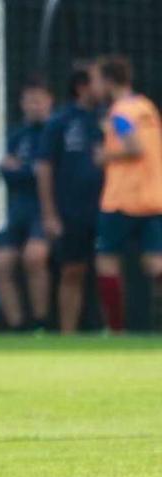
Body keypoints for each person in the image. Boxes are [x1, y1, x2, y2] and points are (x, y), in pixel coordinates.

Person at [91, 56, 162, 332]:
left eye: (97, 80)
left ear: (109, 81)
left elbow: (134, 147)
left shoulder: (120, 112)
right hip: (152, 198)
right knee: (155, 263)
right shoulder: (147, 107)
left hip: (121, 199)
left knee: (106, 262)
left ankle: (115, 330)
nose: (95, 87)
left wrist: (104, 155)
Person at [35, 64, 104, 335]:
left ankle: (108, 329)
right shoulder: (60, 122)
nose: (103, 86)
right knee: (71, 271)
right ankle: (68, 334)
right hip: (71, 211)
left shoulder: (109, 118)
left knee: (104, 269)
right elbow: (44, 168)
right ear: (82, 86)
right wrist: (50, 214)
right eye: (98, 80)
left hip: (105, 209)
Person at [0, 78, 53, 331]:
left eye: (39, 99)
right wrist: (29, 171)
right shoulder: (18, 136)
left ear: (50, 101)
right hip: (19, 209)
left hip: (45, 209)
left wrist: (24, 170)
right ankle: (17, 327)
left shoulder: (54, 131)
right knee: (0, 264)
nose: (33, 105)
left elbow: (46, 174)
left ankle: (41, 323)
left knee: (34, 257)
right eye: (29, 100)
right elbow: (5, 171)